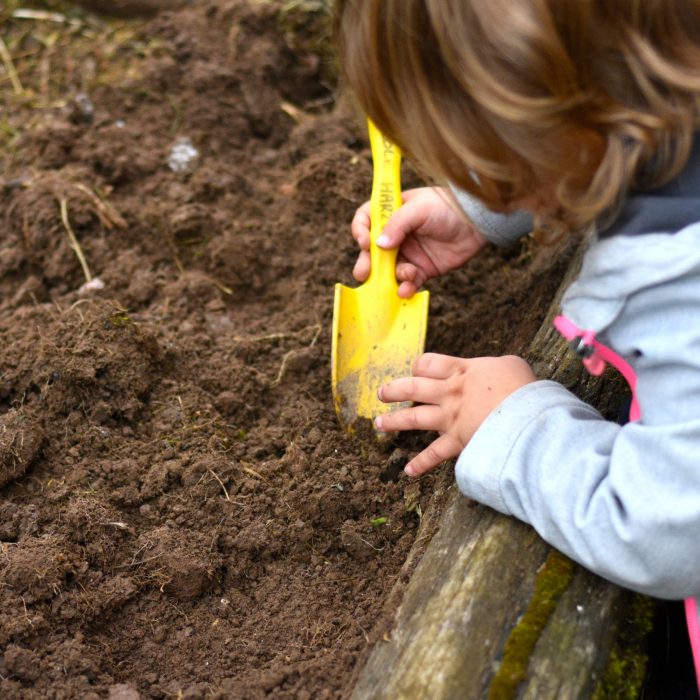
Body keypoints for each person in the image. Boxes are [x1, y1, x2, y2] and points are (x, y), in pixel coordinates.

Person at [335, 0, 700, 695]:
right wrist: (492, 203)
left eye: (479, 158)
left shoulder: (679, 285)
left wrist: (516, 423)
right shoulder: (670, 68)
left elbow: (671, 530)